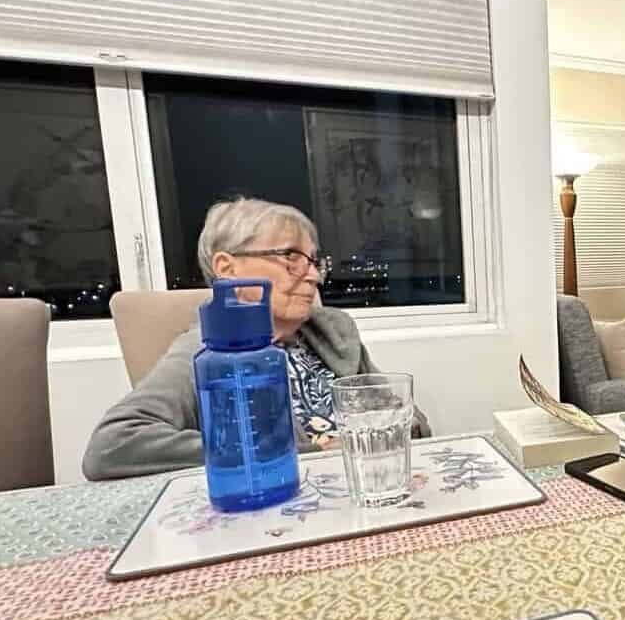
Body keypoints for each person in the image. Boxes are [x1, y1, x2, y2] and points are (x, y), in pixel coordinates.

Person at [83, 197, 429, 480]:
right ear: (227, 268)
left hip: (366, 488)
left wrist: (389, 431)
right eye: (291, 257)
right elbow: (112, 446)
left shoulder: (334, 334)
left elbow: (410, 420)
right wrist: (291, 450)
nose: (313, 276)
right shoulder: (205, 351)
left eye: (313, 261)